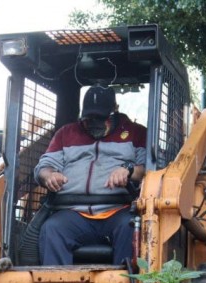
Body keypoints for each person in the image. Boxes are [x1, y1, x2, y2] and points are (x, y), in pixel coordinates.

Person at [34, 85, 146, 265]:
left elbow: (148, 169)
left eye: (100, 118)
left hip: (119, 210)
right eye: (88, 118)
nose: (94, 123)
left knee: (132, 227)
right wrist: (49, 176)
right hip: (74, 212)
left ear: (114, 111)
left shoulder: (136, 132)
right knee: (52, 228)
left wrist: (129, 171)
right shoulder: (66, 133)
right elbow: (44, 167)